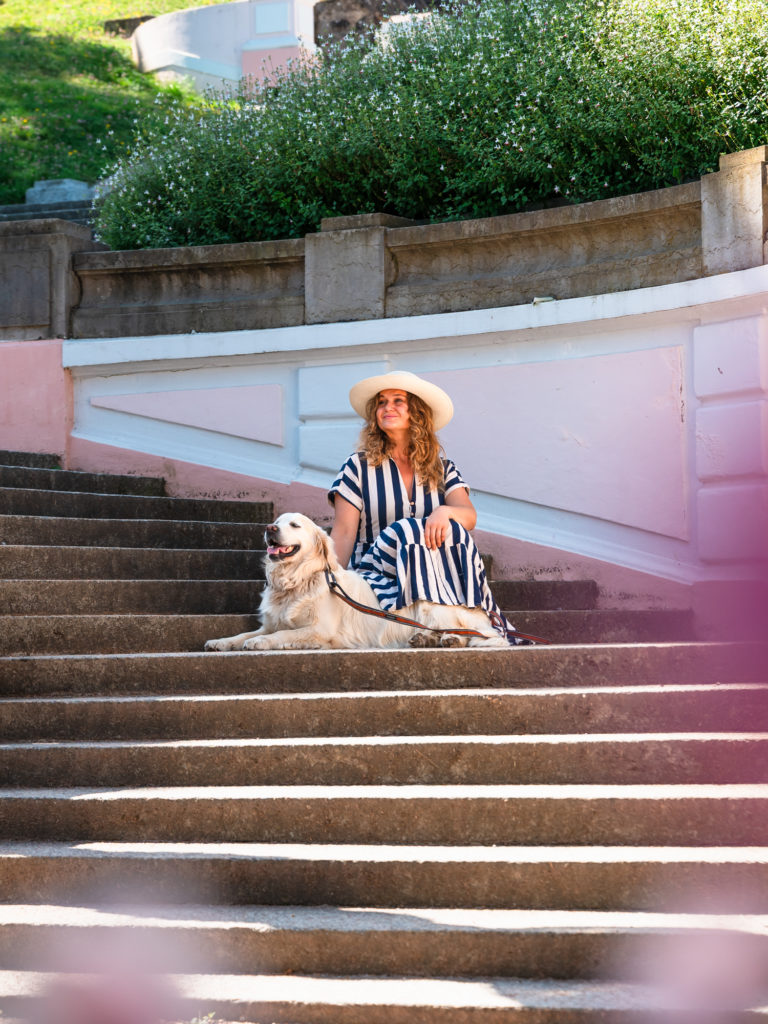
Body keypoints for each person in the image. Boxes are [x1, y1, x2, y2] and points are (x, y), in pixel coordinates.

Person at [328, 370, 520, 645]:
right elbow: (344, 532)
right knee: (408, 529)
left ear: (416, 413)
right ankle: (458, 627)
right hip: (377, 572)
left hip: (434, 573)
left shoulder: (443, 469)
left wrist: (445, 511)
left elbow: (469, 516)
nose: (387, 407)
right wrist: (331, 585)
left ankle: (459, 624)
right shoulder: (357, 466)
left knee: (457, 532)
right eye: (381, 402)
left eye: (397, 401)